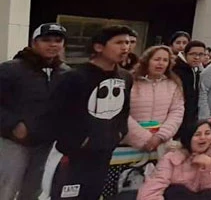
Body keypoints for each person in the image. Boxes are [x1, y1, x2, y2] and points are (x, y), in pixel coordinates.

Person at [41, 25, 134, 200]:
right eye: (119, 42)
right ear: (99, 47)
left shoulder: (125, 77)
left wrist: (119, 133)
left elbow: (124, 111)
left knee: (93, 194)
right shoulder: (74, 77)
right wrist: (77, 141)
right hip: (74, 155)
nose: (125, 48)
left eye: (128, 43)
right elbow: (56, 115)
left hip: (104, 152)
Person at [0, 23, 70, 200]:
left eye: (58, 40)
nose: (53, 44)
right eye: (46, 40)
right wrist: (13, 124)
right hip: (13, 142)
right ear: (34, 42)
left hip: (46, 144)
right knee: (7, 188)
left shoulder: (66, 73)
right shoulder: (10, 69)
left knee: (34, 190)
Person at [124, 46, 185, 151]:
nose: (160, 63)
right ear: (147, 61)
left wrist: (160, 136)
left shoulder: (173, 84)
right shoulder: (130, 82)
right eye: (156, 59)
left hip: (162, 144)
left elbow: (177, 112)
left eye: (165, 60)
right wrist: (145, 138)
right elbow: (122, 113)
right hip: (130, 144)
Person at [173, 40, 206, 141]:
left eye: (201, 54)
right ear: (185, 54)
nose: (197, 57)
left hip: (190, 117)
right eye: (193, 54)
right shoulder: (176, 69)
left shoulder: (196, 70)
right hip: (177, 117)